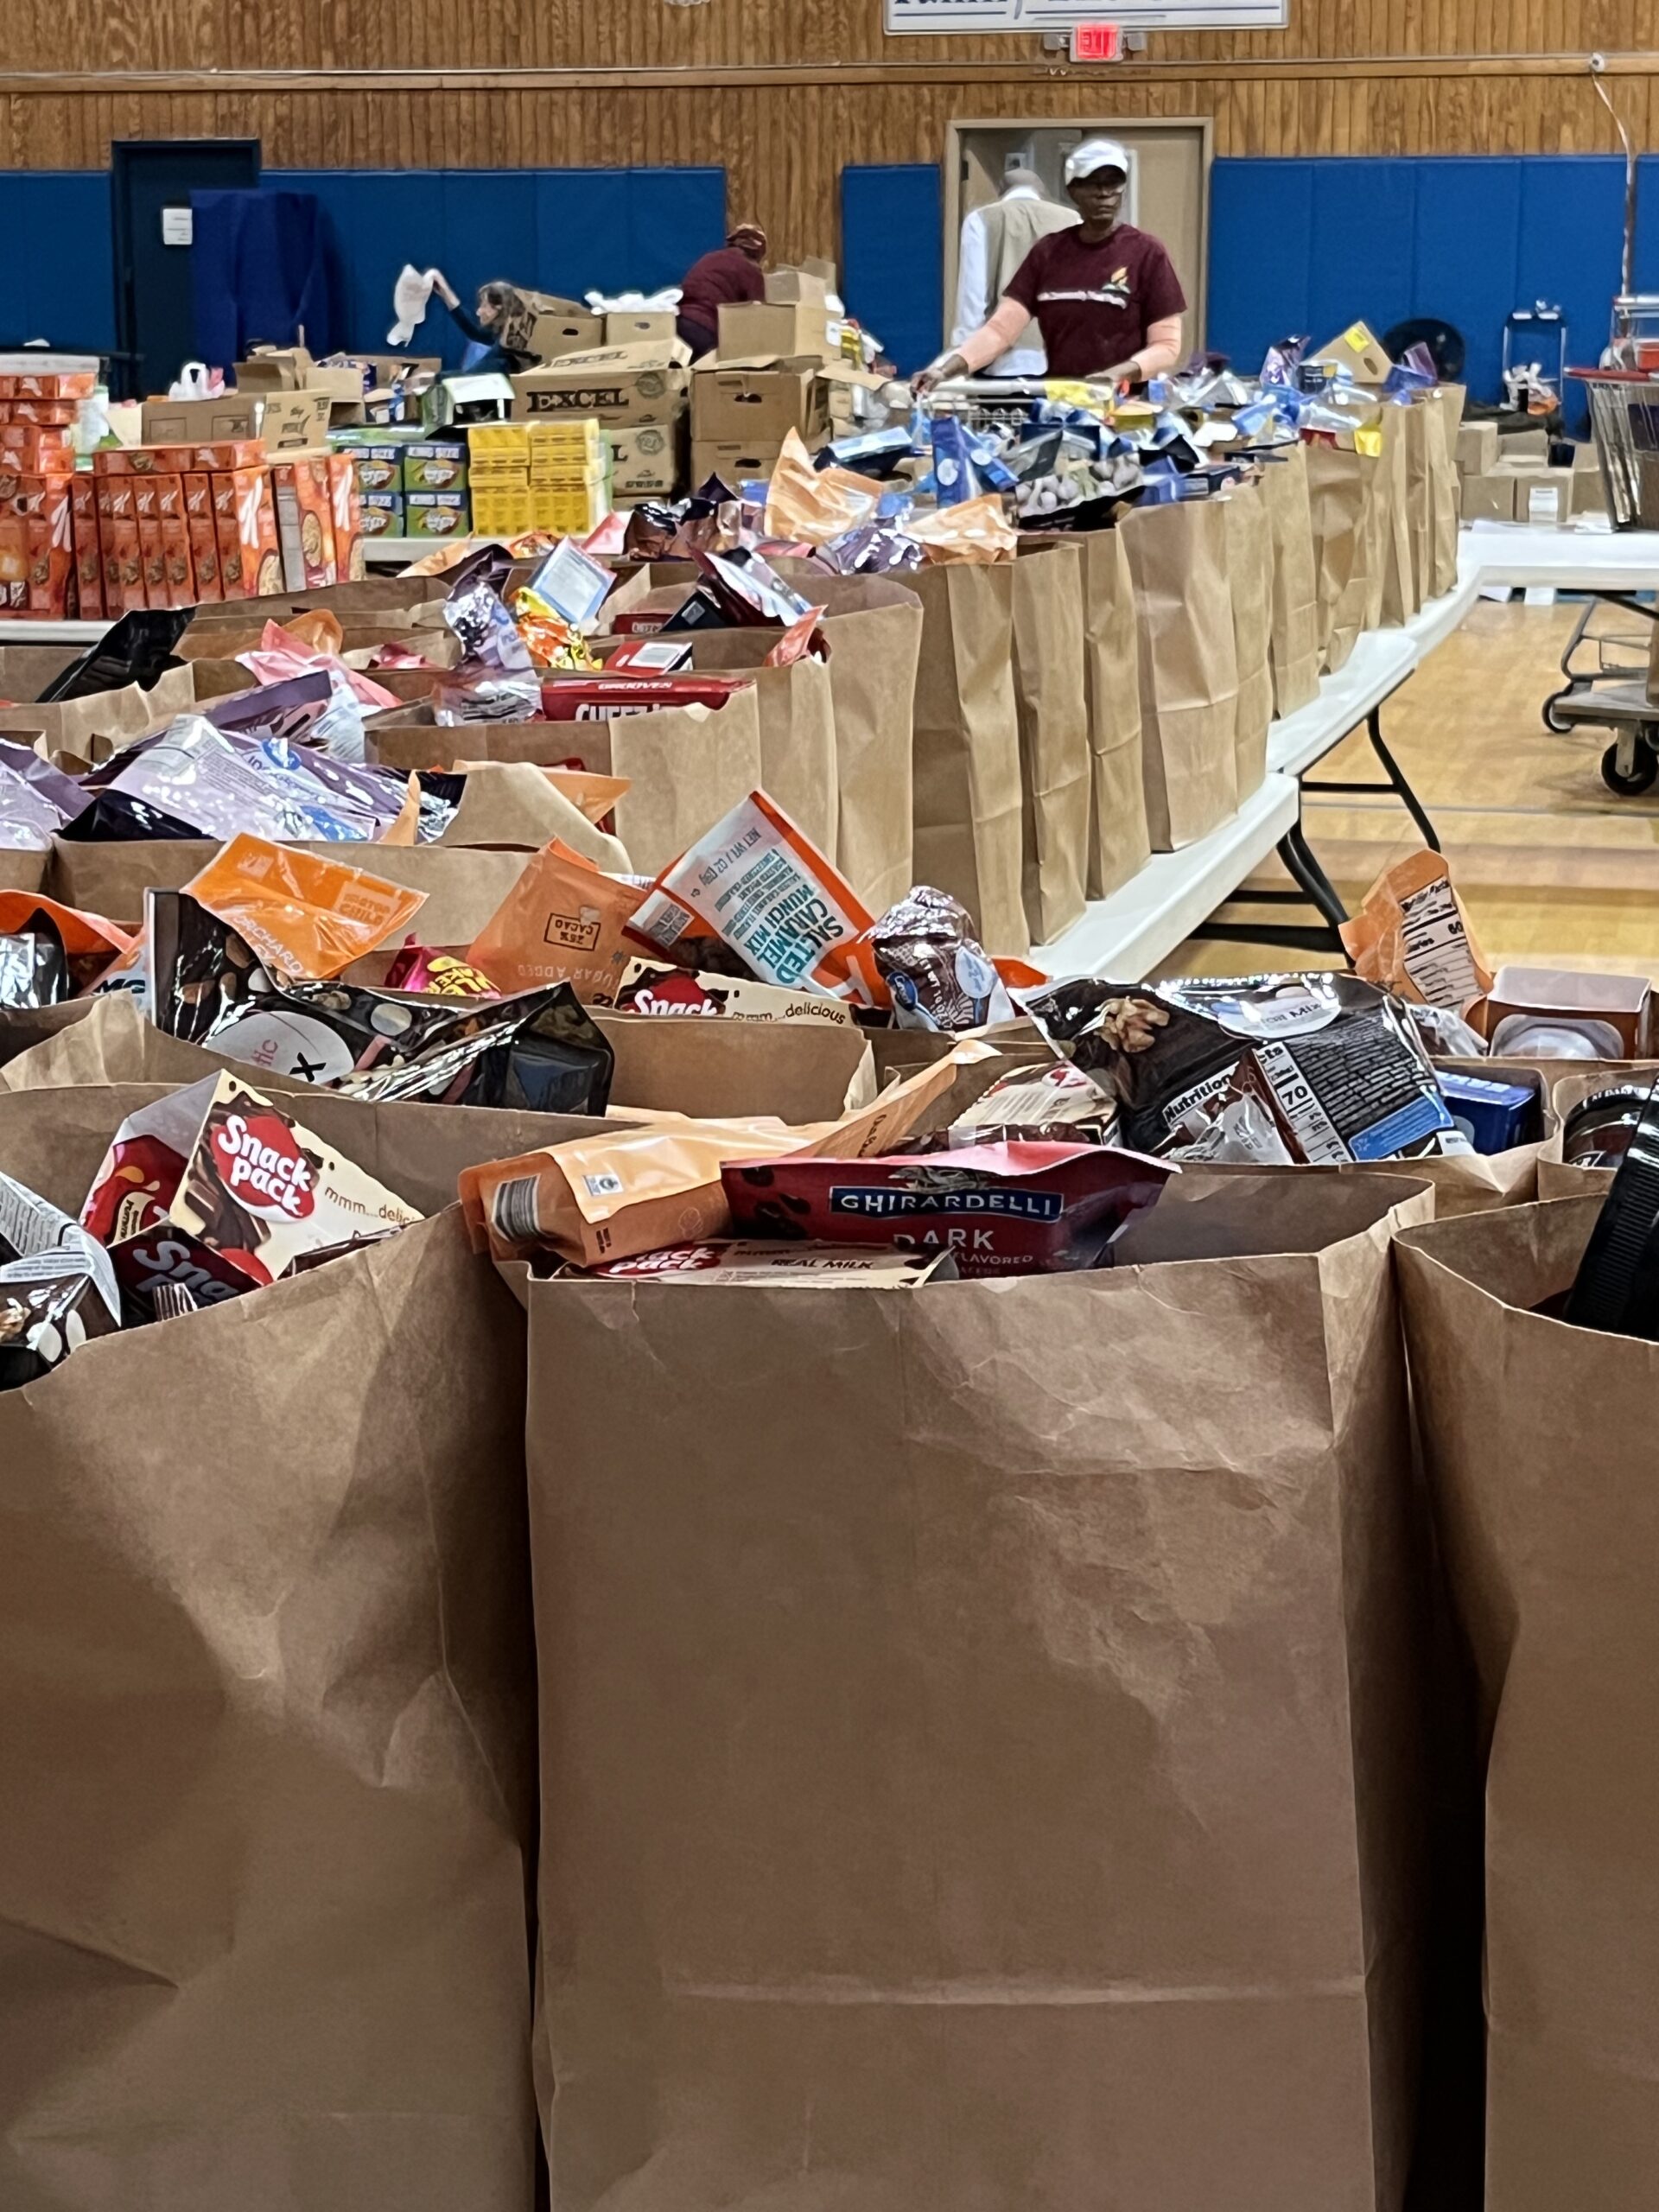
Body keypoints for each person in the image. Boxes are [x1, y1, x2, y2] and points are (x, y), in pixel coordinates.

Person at [915, 139, 1185, 395]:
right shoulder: (1049, 252)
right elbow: (1000, 330)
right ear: (1073, 190)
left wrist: (1120, 373)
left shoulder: (1147, 252)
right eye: (1092, 184)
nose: (1104, 194)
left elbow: (1167, 346)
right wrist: (945, 370)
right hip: (1063, 405)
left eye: (1113, 184)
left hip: (1127, 408)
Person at [952, 167, 1078, 379]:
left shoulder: (981, 219)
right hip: (1060, 361)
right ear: (1041, 191)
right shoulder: (1072, 220)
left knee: (999, 413)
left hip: (999, 360)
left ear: (1001, 191)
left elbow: (972, 300)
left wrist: (963, 357)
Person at [676, 225, 768, 361]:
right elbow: (758, 314)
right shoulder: (750, 268)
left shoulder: (711, 257)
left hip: (678, 322)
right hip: (705, 328)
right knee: (708, 378)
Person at [429, 275, 535, 375]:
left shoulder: (505, 356)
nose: (478, 312)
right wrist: (445, 292)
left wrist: (434, 379)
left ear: (499, 309)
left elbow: (472, 378)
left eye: (484, 305)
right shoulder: (510, 342)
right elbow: (474, 331)